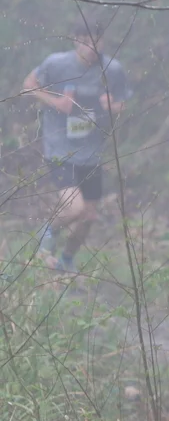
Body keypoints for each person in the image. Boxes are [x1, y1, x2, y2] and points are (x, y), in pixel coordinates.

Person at [22, 17, 132, 273]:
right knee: (74, 208)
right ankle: (43, 243)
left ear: (103, 41)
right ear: (75, 41)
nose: (90, 47)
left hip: (91, 151)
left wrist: (113, 106)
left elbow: (122, 103)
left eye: (96, 41)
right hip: (60, 148)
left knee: (89, 216)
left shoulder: (112, 69)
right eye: (84, 41)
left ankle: (66, 262)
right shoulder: (56, 64)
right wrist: (56, 102)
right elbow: (28, 86)